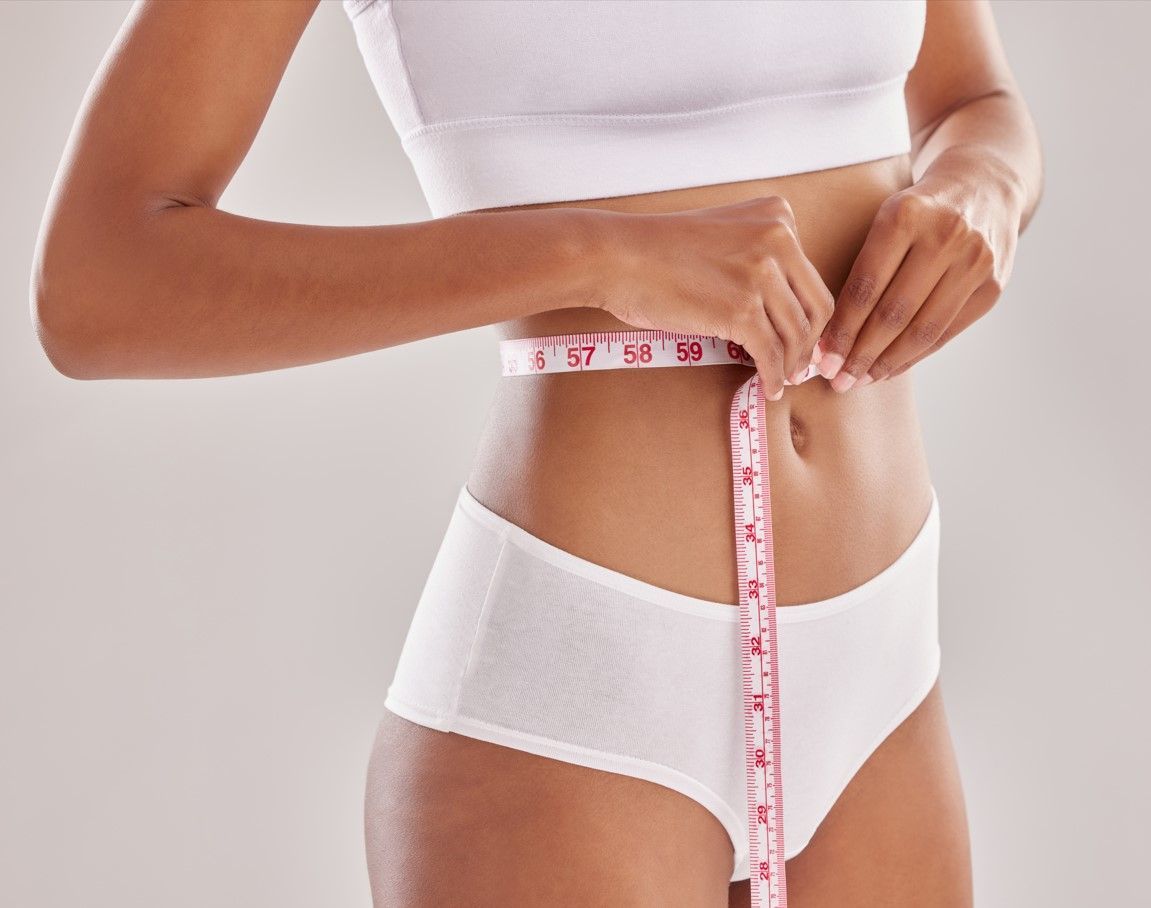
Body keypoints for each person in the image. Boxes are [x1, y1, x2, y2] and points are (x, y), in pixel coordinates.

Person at [30, 1, 1042, 905]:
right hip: (578, 695)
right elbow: (98, 279)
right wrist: (594, 252)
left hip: (881, 669)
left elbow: (970, 99)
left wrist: (982, 187)